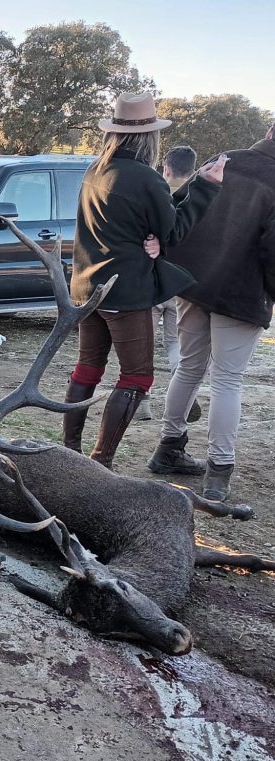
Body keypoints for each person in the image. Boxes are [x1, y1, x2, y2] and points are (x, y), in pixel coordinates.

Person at [62, 92, 226, 470]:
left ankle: (69, 451)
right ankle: (101, 462)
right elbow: (173, 230)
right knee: (137, 377)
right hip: (126, 290)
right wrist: (205, 187)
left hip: (88, 289)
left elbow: (148, 225)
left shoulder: (95, 170)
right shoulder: (146, 177)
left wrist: (152, 237)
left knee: (87, 369)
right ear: (149, 136)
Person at [146, 122, 275, 500]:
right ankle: (218, 472)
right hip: (240, 292)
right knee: (227, 380)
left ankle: (167, 448)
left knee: (189, 366)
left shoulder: (226, 160)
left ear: (268, 132)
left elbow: (181, 209)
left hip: (194, 282)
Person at [135, 145, 201, 421]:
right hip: (182, 283)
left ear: (167, 168)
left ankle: (142, 405)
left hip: (151, 280)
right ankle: (184, 395)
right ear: (193, 170)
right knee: (177, 344)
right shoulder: (200, 196)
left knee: (144, 346)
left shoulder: (156, 192)